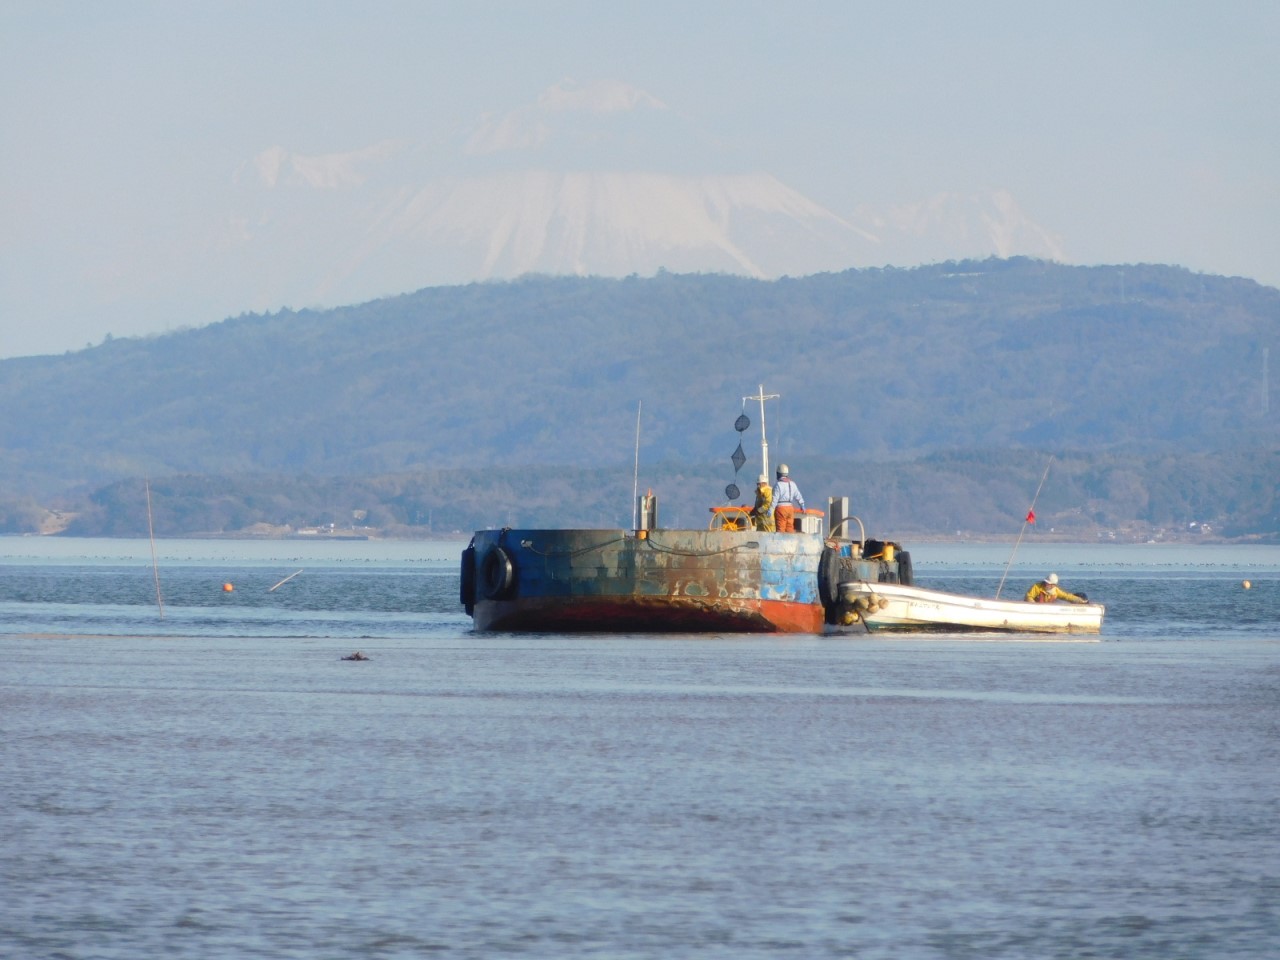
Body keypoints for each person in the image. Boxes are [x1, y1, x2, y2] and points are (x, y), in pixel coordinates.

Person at [771, 463, 805, 533]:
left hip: (781, 508)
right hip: (790, 508)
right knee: (790, 528)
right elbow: (798, 495)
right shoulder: (792, 484)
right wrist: (802, 505)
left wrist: (771, 509)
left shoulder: (778, 485)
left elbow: (775, 498)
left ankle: (781, 540)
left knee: (781, 529)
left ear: (778, 474)